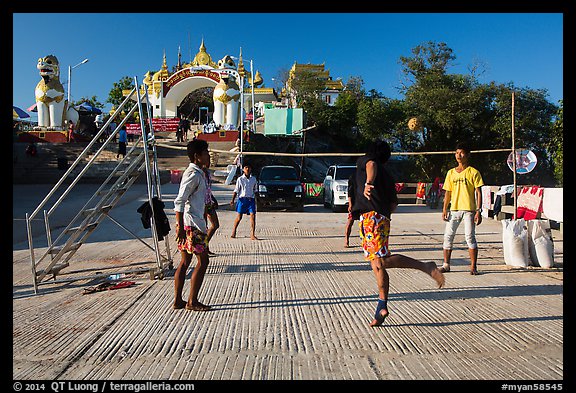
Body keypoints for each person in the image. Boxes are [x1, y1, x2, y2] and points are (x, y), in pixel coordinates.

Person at [352, 139, 445, 327]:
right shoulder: (386, 173)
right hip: (381, 218)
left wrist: (368, 183)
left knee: (381, 261)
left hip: (371, 218)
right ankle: (382, 307)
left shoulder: (366, 161)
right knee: (377, 264)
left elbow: (370, 164)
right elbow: (394, 204)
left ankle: (426, 266)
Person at [173, 139, 212, 311]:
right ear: (197, 156)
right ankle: (192, 301)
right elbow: (179, 201)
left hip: (189, 224)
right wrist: (180, 226)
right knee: (203, 262)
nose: (208, 156)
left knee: (184, 262)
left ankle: (178, 300)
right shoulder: (193, 175)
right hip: (192, 225)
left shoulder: (197, 173)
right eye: (205, 153)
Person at [440, 142, 484, 275]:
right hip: (454, 209)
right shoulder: (451, 173)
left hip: (469, 210)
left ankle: (473, 267)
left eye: (462, 152)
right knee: (448, 236)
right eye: (457, 152)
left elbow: (478, 192)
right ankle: (446, 265)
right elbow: (448, 192)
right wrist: (444, 209)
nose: (459, 155)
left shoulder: (473, 172)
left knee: (470, 237)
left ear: (467, 155)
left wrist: (478, 210)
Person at [230, 162, 258, 240]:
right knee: (239, 217)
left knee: (253, 216)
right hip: (242, 200)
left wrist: (257, 200)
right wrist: (232, 200)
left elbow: (255, 190)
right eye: (246, 167)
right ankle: (234, 231)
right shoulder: (240, 179)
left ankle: (252, 234)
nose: (247, 169)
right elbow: (236, 190)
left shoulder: (253, 179)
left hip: (250, 199)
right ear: (243, 169)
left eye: (249, 167)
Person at [202, 164, 219, 256]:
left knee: (215, 225)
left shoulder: (208, 173)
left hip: (209, 202)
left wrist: (213, 198)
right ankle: (204, 248)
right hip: (201, 204)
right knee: (204, 227)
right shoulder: (198, 174)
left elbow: (208, 189)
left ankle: (205, 244)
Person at [344, 173, 359, 248]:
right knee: (350, 221)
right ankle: (346, 240)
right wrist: (350, 204)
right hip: (354, 203)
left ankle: (365, 240)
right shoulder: (353, 176)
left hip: (364, 203)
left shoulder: (368, 176)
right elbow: (350, 192)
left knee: (364, 223)